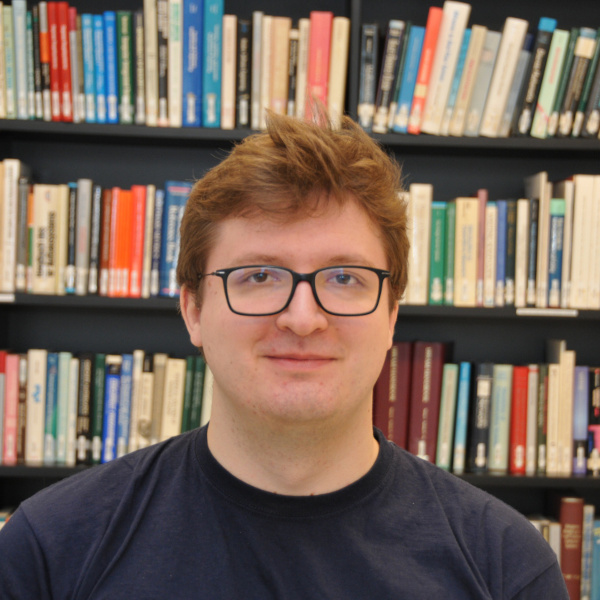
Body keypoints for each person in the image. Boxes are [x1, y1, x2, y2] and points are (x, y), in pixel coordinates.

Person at [0, 112, 568, 600]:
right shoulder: (49, 549)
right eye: (259, 276)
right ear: (193, 310)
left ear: (392, 313)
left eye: (344, 277)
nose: (302, 317)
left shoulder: (506, 566)